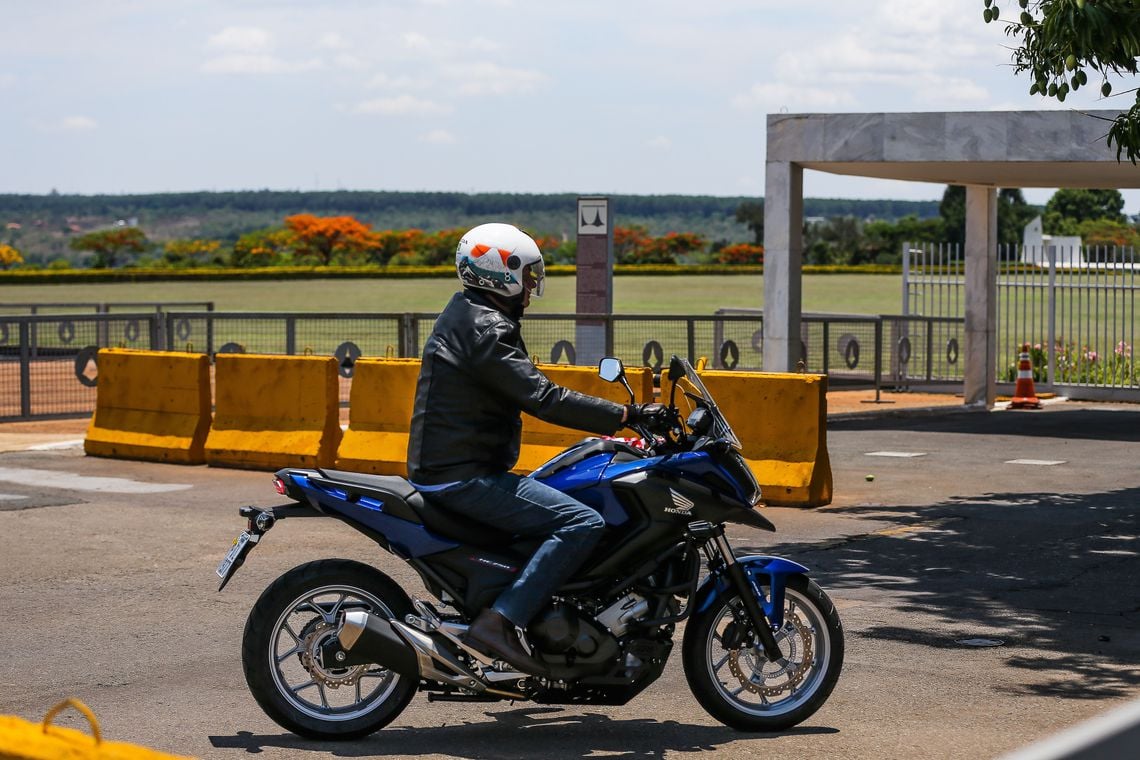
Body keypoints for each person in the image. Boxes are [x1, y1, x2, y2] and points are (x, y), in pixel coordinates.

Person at [407, 222, 665, 675]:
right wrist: (627, 415)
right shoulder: (487, 329)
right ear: (497, 273)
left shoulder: (469, 314)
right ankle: (500, 622)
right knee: (581, 520)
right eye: (526, 275)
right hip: (463, 476)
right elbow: (543, 397)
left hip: (452, 466)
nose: (531, 286)